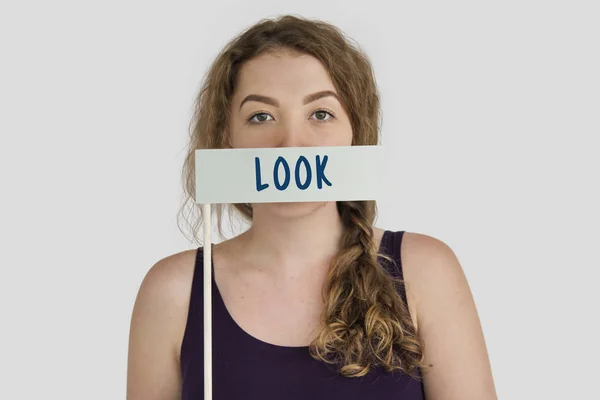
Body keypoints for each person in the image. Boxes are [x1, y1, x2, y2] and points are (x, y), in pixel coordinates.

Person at [126, 14, 497, 399]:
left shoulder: (424, 272)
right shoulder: (174, 293)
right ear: (227, 137)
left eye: (320, 114)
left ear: (355, 130)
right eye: (261, 116)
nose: (291, 143)